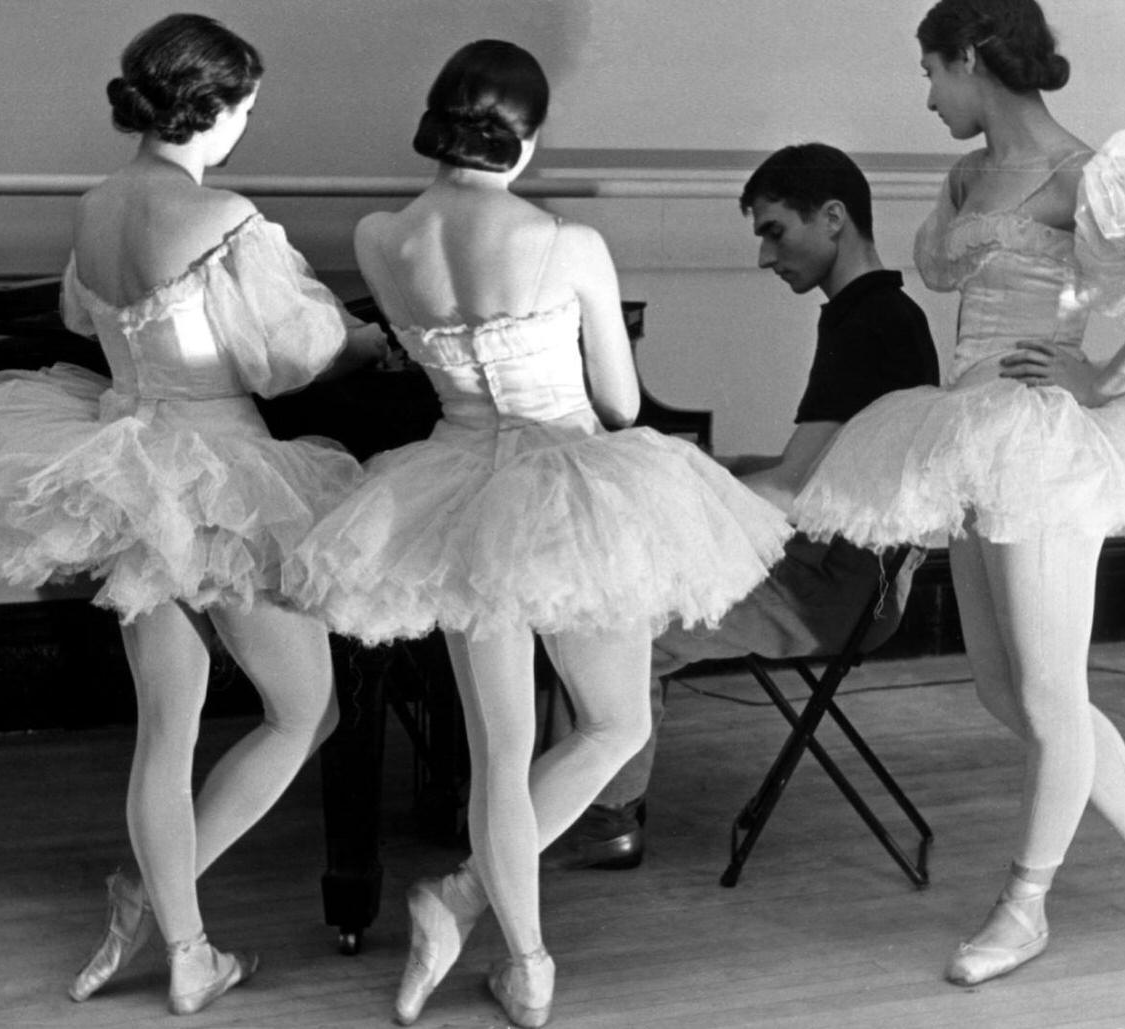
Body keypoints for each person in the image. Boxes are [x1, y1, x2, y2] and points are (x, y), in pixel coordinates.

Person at [284, 39, 790, 1028]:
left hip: (454, 485)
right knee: (615, 723)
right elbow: (617, 397)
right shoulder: (567, 242)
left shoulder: (383, 237)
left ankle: (514, 948)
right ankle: (473, 910)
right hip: (561, 485)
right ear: (526, 139)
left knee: (500, 748)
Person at [792, 0, 1125, 986]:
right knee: (1009, 691)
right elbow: (945, 268)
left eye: (930, 72)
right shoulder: (968, 171)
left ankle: (1024, 906)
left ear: (969, 57)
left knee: (1047, 696)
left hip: (1038, 443)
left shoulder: (1090, 175)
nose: (924, 95)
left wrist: (1108, 376)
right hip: (966, 434)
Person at [0, 14, 386, 1016]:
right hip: (217, 472)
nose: (246, 125)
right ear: (217, 108)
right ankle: (158, 899)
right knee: (304, 710)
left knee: (169, 723)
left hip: (127, 463)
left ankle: (187, 946)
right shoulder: (225, 215)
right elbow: (289, 357)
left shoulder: (97, 203)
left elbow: (77, 318)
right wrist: (360, 342)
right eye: (247, 108)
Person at [542, 143, 940, 871]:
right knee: (673, 504)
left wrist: (664, 493)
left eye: (774, 231)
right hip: (836, 558)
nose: (764, 256)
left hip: (842, 588)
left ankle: (605, 818)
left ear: (833, 218)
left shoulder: (872, 325)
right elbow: (819, 469)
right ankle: (577, 795)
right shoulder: (873, 312)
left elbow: (792, 491)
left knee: (621, 616)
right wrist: (695, 473)